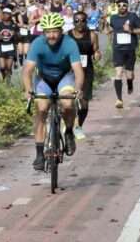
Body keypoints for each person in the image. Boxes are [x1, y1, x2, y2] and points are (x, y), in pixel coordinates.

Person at [23, 12, 84, 171]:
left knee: (67, 103)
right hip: (44, 79)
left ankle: (69, 131)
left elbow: (78, 70)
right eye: (48, 32)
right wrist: (28, 90)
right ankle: (39, 154)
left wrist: (78, 89)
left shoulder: (70, 43)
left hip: (64, 77)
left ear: (61, 30)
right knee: (41, 108)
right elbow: (28, 70)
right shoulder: (37, 43)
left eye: (55, 31)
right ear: (43, 32)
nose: (52, 35)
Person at [109, 0, 140, 109]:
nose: (122, 7)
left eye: (124, 5)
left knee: (129, 75)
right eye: (119, 5)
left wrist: (131, 31)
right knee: (118, 73)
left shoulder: (133, 16)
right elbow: (110, 30)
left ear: (127, 6)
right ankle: (119, 99)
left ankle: (130, 84)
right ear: (116, 6)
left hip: (130, 50)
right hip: (118, 50)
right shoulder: (113, 18)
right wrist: (106, 29)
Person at [68, 10, 100, 140]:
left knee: (84, 102)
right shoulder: (67, 36)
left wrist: (97, 54)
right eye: (77, 21)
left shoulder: (92, 35)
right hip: (70, 71)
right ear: (73, 22)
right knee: (68, 101)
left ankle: (78, 126)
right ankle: (68, 124)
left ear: (86, 22)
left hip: (86, 71)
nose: (80, 23)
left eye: (83, 20)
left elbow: (96, 50)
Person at [0, 6, 20, 83]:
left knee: (8, 67)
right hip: (2, 47)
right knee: (2, 67)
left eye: (7, 14)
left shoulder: (14, 25)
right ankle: (3, 77)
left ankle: (8, 83)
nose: (5, 15)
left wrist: (14, 34)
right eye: (4, 14)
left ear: (10, 15)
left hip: (11, 47)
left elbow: (19, 36)